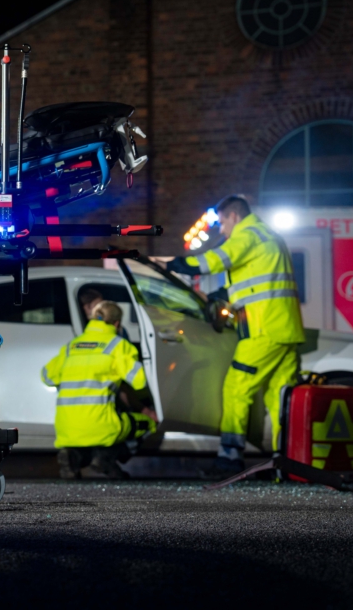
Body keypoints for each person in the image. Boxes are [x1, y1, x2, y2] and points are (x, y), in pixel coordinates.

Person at [168, 195, 304, 475]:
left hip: (263, 331)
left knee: (236, 389)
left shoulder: (248, 233)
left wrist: (184, 265)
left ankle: (229, 459)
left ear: (234, 216)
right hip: (285, 329)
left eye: (222, 223)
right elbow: (256, 282)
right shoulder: (269, 236)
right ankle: (287, 464)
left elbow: (219, 259)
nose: (221, 230)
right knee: (280, 399)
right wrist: (223, 295)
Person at [41, 300, 158, 479]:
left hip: (66, 428)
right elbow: (140, 380)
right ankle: (105, 459)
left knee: (97, 431)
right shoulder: (118, 346)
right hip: (102, 427)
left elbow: (46, 376)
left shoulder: (72, 346)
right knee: (148, 423)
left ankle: (74, 456)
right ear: (117, 324)